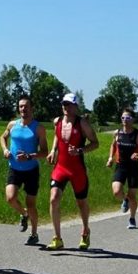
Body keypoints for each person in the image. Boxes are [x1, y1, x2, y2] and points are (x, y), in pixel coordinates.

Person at [46, 93, 99, 250]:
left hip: (77, 170)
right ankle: (57, 238)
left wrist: (80, 150)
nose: (65, 107)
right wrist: (53, 150)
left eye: (69, 104)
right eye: (64, 104)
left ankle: (85, 231)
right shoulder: (58, 121)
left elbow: (95, 143)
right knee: (54, 198)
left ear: (76, 107)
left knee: (81, 203)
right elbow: (57, 135)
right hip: (61, 167)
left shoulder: (82, 124)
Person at [0, 95, 49, 245]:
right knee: (10, 198)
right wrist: (5, 150)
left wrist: (29, 156)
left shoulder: (38, 128)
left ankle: (34, 233)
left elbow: (45, 152)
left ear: (32, 108)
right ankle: (23, 214)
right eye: (21, 106)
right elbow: (2, 137)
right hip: (14, 168)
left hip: (31, 170)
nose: (23, 109)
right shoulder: (12, 125)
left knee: (31, 203)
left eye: (26, 106)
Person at [106, 107, 138, 229]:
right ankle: (125, 200)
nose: (125, 120)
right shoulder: (117, 133)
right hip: (121, 165)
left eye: (128, 118)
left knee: (133, 196)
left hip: (134, 167)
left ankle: (132, 218)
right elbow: (113, 146)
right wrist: (110, 158)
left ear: (133, 120)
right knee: (117, 191)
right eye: (123, 117)